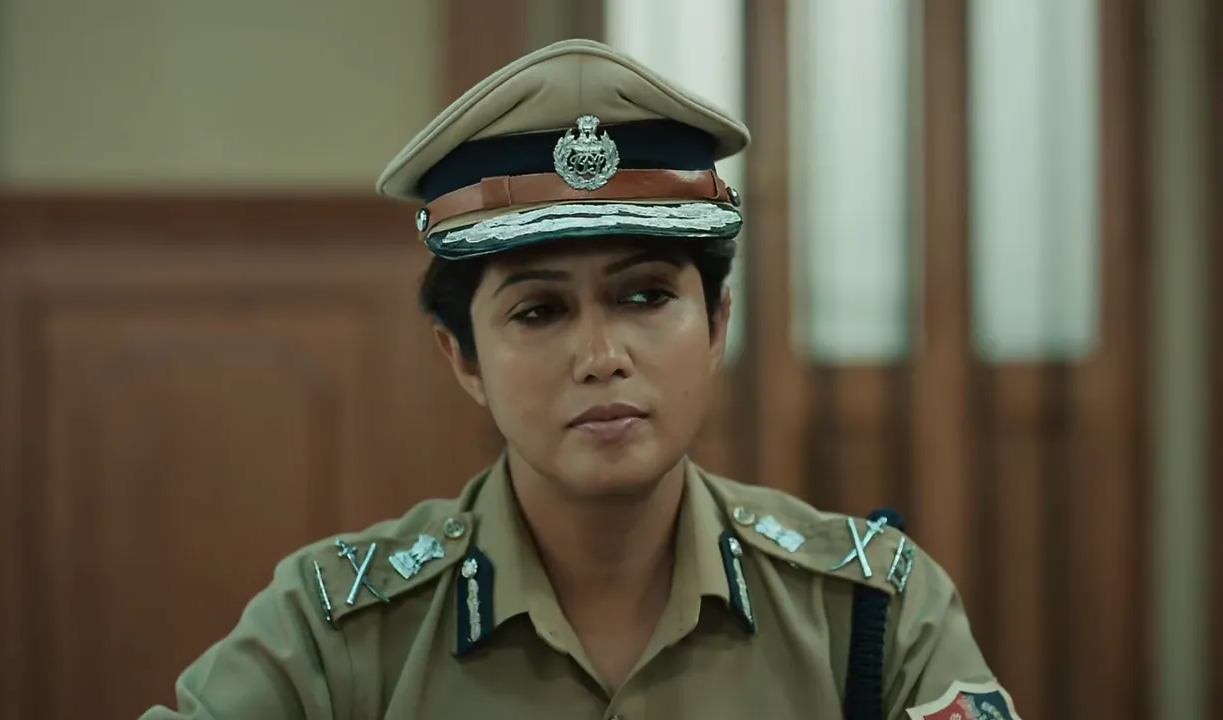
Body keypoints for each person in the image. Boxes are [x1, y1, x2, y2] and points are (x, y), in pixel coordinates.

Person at [140, 39, 1018, 720]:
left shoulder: (866, 614)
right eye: (539, 311)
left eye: (645, 297)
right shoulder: (337, 632)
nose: (601, 355)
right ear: (463, 359)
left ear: (717, 324)